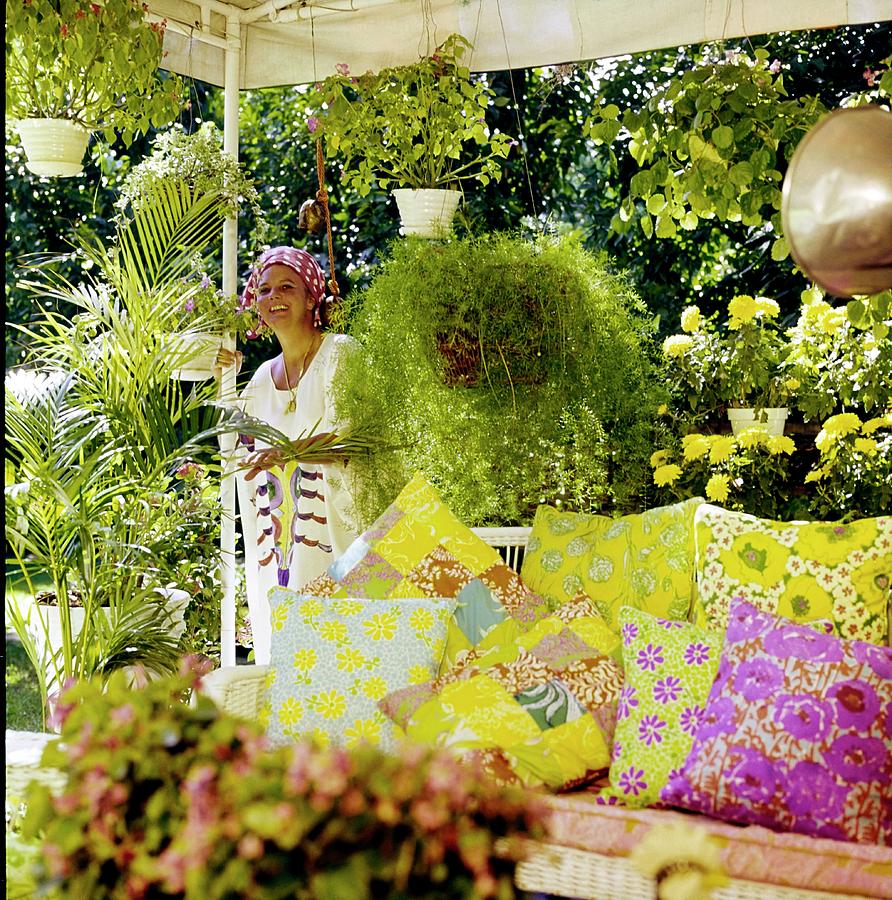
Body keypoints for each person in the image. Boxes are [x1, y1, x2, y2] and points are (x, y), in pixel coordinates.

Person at [217, 246, 361, 664]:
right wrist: (226, 379)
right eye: (264, 289)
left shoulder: (341, 354)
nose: (274, 296)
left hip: (338, 541)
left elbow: (354, 439)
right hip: (281, 552)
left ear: (312, 296)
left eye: (286, 286)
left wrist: (288, 451)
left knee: (344, 655)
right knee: (292, 666)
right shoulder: (262, 378)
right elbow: (235, 447)